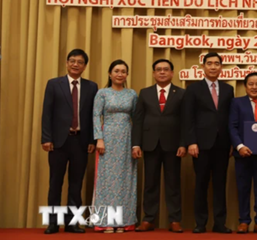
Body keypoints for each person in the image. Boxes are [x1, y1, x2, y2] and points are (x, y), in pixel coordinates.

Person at [41, 49, 99, 234]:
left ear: (84, 66)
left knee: (76, 184)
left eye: (80, 62)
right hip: (58, 141)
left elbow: (93, 116)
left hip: (81, 142)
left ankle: (72, 223)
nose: (75, 64)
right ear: (67, 63)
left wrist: (92, 139)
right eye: (72, 61)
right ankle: (53, 223)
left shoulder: (92, 87)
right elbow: (46, 113)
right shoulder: (53, 84)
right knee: (55, 183)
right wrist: (46, 138)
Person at [183, 52, 234, 234]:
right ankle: (200, 223)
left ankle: (220, 223)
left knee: (220, 185)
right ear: (203, 67)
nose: (213, 67)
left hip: (222, 144)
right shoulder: (193, 89)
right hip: (201, 145)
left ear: (221, 67)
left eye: (216, 64)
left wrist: (231, 143)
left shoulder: (228, 89)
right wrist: (191, 142)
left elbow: (230, 118)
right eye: (209, 63)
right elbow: (188, 118)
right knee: (201, 184)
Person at [132, 59, 186, 233]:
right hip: (150, 144)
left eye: (166, 69)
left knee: (173, 184)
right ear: (153, 73)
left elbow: (186, 122)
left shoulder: (181, 93)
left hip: (173, 145)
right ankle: (148, 219)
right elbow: (138, 120)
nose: (162, 72)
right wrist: (136, 144)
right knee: (150, 184)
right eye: (158, 69)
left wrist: (183, 143)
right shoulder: (145, 93)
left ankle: (175, 220)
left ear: (172, 73)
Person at [93, 59, 138, 233]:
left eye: (123, 71)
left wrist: (136, 143)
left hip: (127, 138)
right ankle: (106, 221)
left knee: (126, 180)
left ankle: (124, 221)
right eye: (116, 71)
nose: (120, 74)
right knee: (107, 181)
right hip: (108, 139)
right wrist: (99, 138)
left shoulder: (132, 94)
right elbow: (96, 116)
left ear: (127, 75)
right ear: (110, 74)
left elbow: (137, 119)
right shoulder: (102, 93)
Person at [229, 72, 257, 234]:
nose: (254, 87)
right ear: (245, 86)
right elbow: (232, 127)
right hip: (242, 154)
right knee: (243, 188)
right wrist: (239, 146)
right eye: (251, 84)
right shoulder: (236, 103)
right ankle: (244, 221)